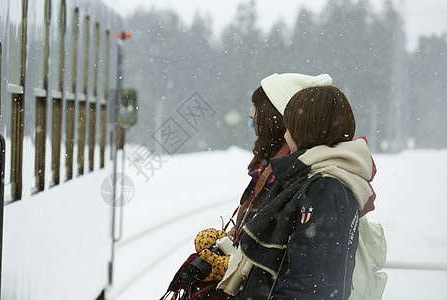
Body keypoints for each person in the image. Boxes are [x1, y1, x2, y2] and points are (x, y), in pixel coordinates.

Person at [160, 73, 333, 300]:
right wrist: (227, 239)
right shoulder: (268, 168)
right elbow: (256, 228)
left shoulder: (293, 175)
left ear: (277, 117)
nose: (251, 114)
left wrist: (233, 265)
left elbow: (282, 259)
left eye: (257, 107)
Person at [217, 85, 385, 300]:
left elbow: (308, 284)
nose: (286, 135)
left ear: (304, 130)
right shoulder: (314, 179)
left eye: (289, 127)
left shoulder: (325, 188)